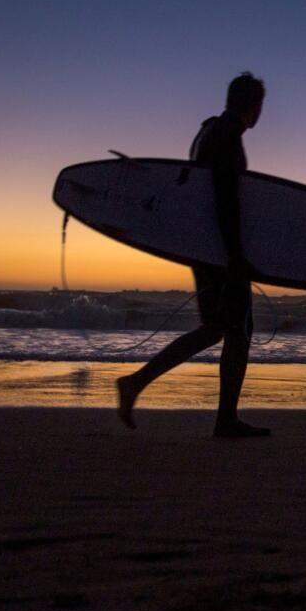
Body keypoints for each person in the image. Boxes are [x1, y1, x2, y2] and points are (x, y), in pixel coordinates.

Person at [116, 72, 268, 438]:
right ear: (252, 105)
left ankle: (136, 383)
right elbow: (224, 199)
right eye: (261, 105)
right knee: (237, 329)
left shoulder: (207, 131)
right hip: (217, 250)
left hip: (203, 247)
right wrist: (235, 256)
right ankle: (225, 419)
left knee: (219, 327)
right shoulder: (228, 135)